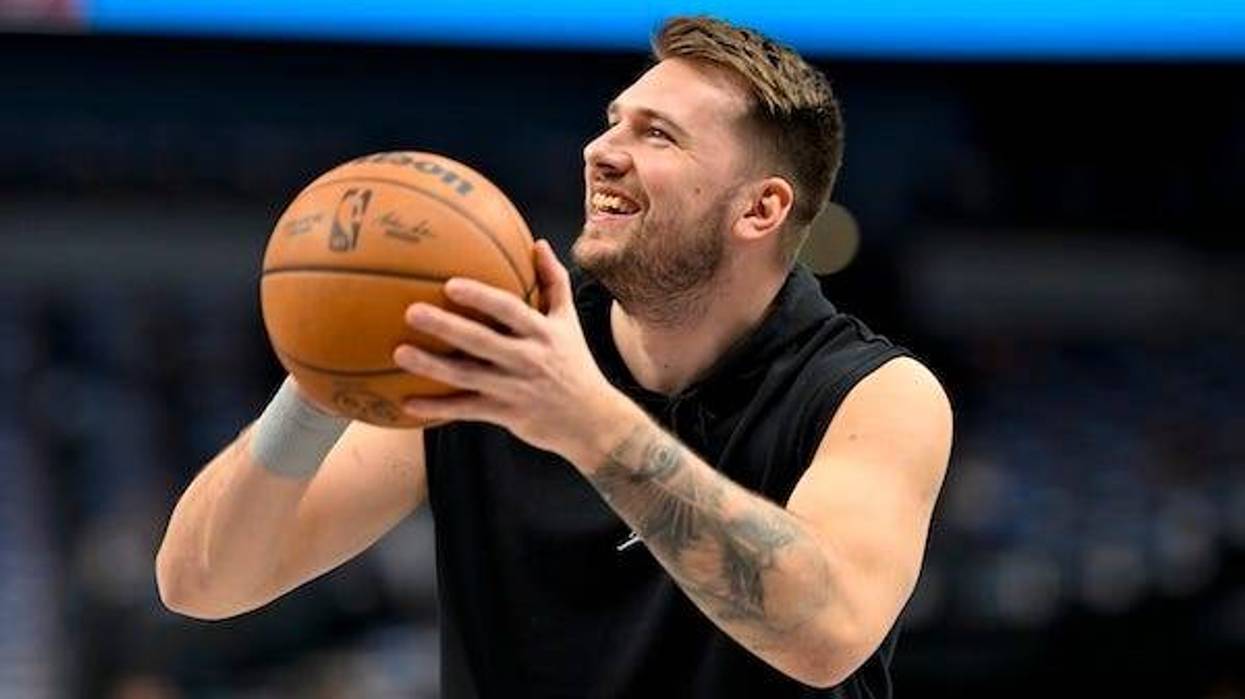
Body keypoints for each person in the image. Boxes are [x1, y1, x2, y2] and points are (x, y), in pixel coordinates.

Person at [155, 15, 952, 698]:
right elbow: (201, 582)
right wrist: (322, 378)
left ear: (761, 207)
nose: (601, 150)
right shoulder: (486, 349)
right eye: (614, 120)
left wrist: (584, 420)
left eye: (657, 135)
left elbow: (828, 633)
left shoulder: (872, 393)